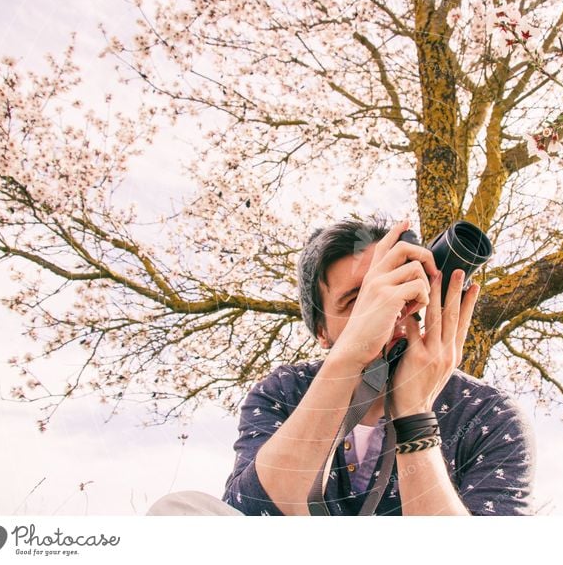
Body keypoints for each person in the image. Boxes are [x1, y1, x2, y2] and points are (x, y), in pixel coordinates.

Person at [220, 216, 535, 516]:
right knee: (183, 506)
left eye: (399, 287)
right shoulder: (285, 391)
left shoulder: (488, 414)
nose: (388, 309)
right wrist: (350, 356)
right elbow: (245, 515)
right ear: (322, 332)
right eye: (359, 301)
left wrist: (415, 414)